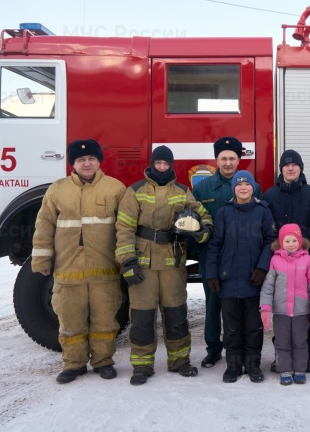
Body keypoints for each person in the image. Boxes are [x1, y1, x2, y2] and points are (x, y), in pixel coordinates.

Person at [115, 146, 213, 386]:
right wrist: (127, 261)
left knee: (176, 313)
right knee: (141, 316)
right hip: (143, 263)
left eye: (165, 164)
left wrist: (203, 231)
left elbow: (204, 215)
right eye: (158, 163)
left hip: (173, 262)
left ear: (171, 165)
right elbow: (124, 228)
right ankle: (142, 365)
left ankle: (179, 360)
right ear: (152, 164)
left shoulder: (182, 191)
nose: (161, 167)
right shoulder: (135, 191)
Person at [32, 139, 126, 383]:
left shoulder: (115, 188)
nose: (87, 163)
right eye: (81, 160)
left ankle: (103, 362)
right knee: (70, 319)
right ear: (73, 163)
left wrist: (128, 260)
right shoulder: (57, 189)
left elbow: (126, 227)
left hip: (105, 270)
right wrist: (42, 260)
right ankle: (73, 364)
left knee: (105, 320)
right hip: (68, 269)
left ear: (99, 161)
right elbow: (44, 226)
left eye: (92, 159)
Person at [192, 137, 262, 369]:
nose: (228, 163)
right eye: (224, 158)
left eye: (232, 158)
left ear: (239, 159)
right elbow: (194, 221)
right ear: (217, 160)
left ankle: (241, 348)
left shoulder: (252, 185)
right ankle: (213, 349)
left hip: (244, 257)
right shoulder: (202, 188)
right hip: (212, 256)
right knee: (213, 303)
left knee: (243, 304)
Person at [206, 170, 277, 383]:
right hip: (228, 281)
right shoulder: (223, 213)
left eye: (247, 184)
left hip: (253, 280)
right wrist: (212, 274)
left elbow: (271, 241)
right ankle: (234, 365)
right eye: (239, 184)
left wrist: (263, 267)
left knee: (254, 326)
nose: (243, 187)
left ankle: (253, 364)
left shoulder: (262, 211)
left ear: (253, 187)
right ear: (233, 188)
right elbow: (215, 244)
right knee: (232, 326)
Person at [262, 149, 310, 373]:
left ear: (300, 168)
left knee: (302, 313)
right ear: (281, 169)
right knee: (281, 313)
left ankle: (305, 355)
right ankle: (281, 356)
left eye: (294, 165)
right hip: (279, 265)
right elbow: (267, 231)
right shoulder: (269, 195)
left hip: (304, 265)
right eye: (286, 165)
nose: (290, 168)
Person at [260, 224, 310, 385]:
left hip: (301, 311)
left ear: (300, 241)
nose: (291, 244)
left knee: (301, 342)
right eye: (287, 241)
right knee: (282, 342)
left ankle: (300, 369)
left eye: (295, 240)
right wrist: (265, 308)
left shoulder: (308, 260)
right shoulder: (275, 260)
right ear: (281, 242)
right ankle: (284, 369)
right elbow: (268, 286)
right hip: (281, 312)